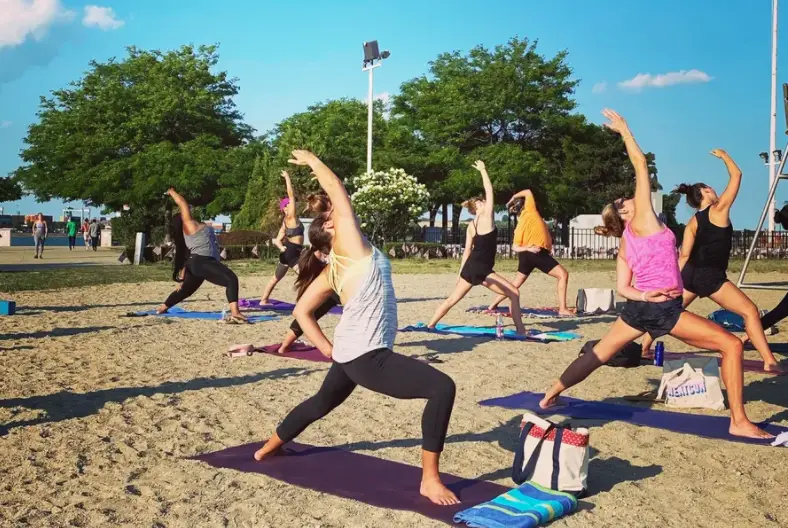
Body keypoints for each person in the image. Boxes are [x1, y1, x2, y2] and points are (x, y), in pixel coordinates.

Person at [539, 109, 772, 440]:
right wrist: (625, 132)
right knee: (732, 345)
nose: (633, 197)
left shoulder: (626, 241)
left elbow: (623, 288)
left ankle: (551, 393)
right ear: (625, 211)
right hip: (663, 309)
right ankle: (739, 421)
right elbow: (640, 167)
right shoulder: (643, 219)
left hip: (639, 309)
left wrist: (645, 295)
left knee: (598, 354)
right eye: (626, 200)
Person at [253, 150, 460, 506]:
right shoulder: (348, 247)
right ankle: (429, 480)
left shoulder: (334, 266)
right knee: (442, 388)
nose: (338, 212)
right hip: (366, 356)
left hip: (351, 351)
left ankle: (266, 449)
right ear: (332, 229)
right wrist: (315, 161)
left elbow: (303, 312)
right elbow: (335, 188)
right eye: (334, 215)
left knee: (320, 403)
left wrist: (327, 349)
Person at [640, 150, 783, 373]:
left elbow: (684, 256)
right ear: (705, 192)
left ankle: (645, 346)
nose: (714, 190)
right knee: (750, 312)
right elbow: (737, 175)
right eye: (710, 188)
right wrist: (725, 155)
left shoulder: (692, 222)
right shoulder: (718, 210)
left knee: (667, 312)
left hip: (690, 275)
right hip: (710, 278)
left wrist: (671, 280)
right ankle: (769, 360)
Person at [426, 161, 527, 335]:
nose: (486, 202)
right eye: (482, 202)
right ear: (478, 207)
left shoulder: (471, 225)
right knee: (514, 293)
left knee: (452, 299)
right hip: (482, 270)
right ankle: (521, 331)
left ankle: (431, 325)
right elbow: (490, 190)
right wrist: (483, 170)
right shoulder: (486, 217)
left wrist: (460, 273)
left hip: (472, 268)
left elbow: (466, 252)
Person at [156, 189, 247, 323]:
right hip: (202, 261)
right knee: (231, 279)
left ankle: (163, 307)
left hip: (198, 263)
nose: (189, 210)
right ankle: (235, 313)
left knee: (185, 291)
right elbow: (182, 203)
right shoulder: (190, 225)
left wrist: (182, 277)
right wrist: (172, 192)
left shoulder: (196, 226)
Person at [487, 189, 572, 316]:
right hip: (535, 253)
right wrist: (512, 199)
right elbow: (527, 192)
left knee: (516, 283)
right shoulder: (531, 211)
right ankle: (563, 309)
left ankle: (492, 305)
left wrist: (546, 247)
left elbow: (516, 247)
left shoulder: (520, 225)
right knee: (563, 275)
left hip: (528, 255)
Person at [260, 171, 305, 304]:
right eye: (288, 205)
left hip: (288, 252)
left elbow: (277, 239)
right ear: (286, 208)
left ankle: (264, 300)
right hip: (292, 252)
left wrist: (281, 248)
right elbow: (291, 194)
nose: (291, 205)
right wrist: (287, 177)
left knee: (275, 278)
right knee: (305, 277)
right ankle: (307, 302)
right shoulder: (290, 217)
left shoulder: (285, 222)